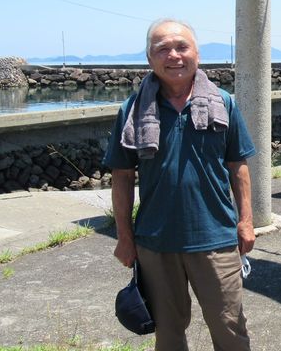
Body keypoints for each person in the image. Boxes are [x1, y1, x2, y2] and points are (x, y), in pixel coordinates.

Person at [104, 18, 256, 351]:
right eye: (163, 49)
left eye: (181, 47)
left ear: (197, 54)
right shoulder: (132, 110)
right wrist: (125, 237)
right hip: (156, 243)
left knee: (230, 329)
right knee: (169, 335)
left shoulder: (224, 103)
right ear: (149, 59)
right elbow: (122, 177)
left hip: (215, 238)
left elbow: (238, 166)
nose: (173, 55)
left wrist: (246, 222)